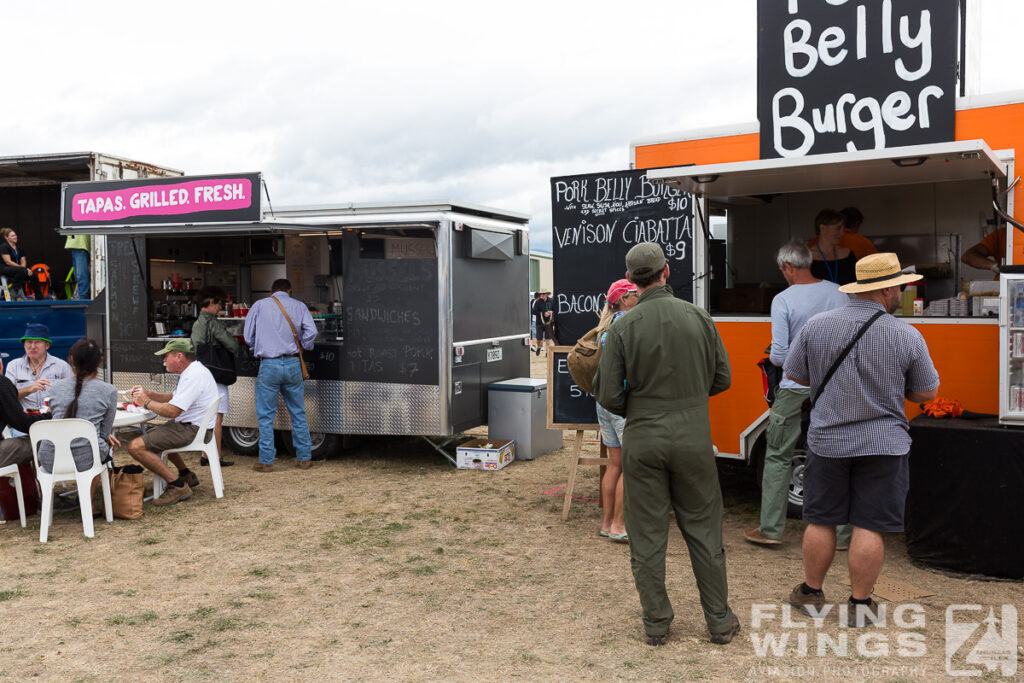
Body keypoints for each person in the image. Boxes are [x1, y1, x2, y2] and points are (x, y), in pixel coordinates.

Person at [593, 242, 739, 646]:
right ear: (666, 272)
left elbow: (607, 395)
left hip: (643, 436)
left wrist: (639, 404)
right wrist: (691, 395)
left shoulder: (623, 326)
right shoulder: (698, 317)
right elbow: (723, 378)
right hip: (693, 436)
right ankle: (719, 620)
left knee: (647, 533)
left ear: (632, 280)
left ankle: (656, 622)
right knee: (704, 530)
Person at [784, 252, 939, 627]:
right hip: (884, 444)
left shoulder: (817, 326)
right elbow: (926, 393)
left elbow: (795, 374)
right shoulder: (907, 335)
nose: (902, 291)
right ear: (886, 290)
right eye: (900, 286)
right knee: (869, 524)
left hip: (827, 441)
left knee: (820, 520)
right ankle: (859, 605)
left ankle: (810, 592)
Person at [744, 241, 852, 549]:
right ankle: (844, 535)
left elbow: (778, 354)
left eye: (782, 270)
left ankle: (771, 530)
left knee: (778, 455)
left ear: (788, 268)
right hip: (835, 385)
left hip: (794, 387)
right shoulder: (839, 292)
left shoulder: (783, 300)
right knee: (838, 456)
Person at [126, 339, 220, 506]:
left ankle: (177, 485)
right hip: (195, 427)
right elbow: (172, 398)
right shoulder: (193, 371)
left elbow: (172, 411)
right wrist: (149, 394)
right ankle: (185, 473)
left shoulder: (193, 376)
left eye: (166, 356)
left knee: (135, 446)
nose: (163, 361)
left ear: (179, 356)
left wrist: (145, 402)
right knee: (154, 435)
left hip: (192, 429)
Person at [243, 278, 317, 471]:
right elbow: (311, 332)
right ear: (290, 291)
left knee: (266, 416)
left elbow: (247, 336)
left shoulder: (259, 306)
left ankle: (266, 461)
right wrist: (304, 346)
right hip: (293, 363)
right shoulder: (299, 306)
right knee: (298, 413)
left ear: (271, 291)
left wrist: (256, 346)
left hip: (269, 364)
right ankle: (304, 458)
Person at [594, 278, 638, 543]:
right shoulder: (628, 324)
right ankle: (619, 525)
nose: (638, 296)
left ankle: (607, 522)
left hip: (603, 402)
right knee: (630, 468)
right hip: (622, 404)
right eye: (634, 293)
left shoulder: (605, 326)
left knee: (614, 465)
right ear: (623, 298)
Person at [37, 339, 117, 473]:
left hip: (50, 458)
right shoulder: (108, 390)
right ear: (100, 360)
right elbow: (103, 434)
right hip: (87, 460)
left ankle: (49, 494)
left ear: (71, 359)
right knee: (102, 447)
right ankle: (85, 495)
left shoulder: (55, 387)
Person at [191, 286, 239, 468]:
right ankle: (216, 456)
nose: (221, 307)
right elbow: (232, 345)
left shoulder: (197, 323)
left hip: (202, 373)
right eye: (220, 303)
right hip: (216, 375)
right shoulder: (213, 323)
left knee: (207, 416)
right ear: (211, 302)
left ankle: (205, 454)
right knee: (217, 417)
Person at [5, 324, 72, 430]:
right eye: (29, 342)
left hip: (54, 423)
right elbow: (7, 399)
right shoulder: (13, 366)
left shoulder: (62, 367)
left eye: (37, 342)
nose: (32, 346)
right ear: (24, 345)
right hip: (23, 426)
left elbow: (73, 395)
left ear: (47, 345)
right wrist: (29, 389)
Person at [0, 351, 50, 471]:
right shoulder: (2, 383)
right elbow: (22, 422)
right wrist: (50, 416)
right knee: (44, 442)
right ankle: (41, 485)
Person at [807, 209, 858, 286]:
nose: (842, 233)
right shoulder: (806, 257)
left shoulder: (848, 254)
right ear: (822, 228)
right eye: (838, 228)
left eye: (843, 229)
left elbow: (856, 285)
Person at [808, 207, 878, 261]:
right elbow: (878, 265)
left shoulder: (812, 244)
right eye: (837, 228)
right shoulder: (863, 242)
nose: (841, 234)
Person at [64, 232, 90, 299]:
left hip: (80, 246)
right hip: (76, 246)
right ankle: (80, 295)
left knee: (81, 275)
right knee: (78, 275)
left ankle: (82, 297)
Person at [531, 290, 555, 356]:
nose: (542, 295)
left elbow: (555, 309)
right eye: (541, 294)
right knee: (539, 338)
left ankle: (547, 352)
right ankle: (539, 347)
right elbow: (534, 311)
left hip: (548, 322)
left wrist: (551, 312)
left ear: (547, 294)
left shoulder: (551, 301)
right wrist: (543, 313)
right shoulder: (538, 302)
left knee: (548, 338)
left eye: (543, 294)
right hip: (539, 322)